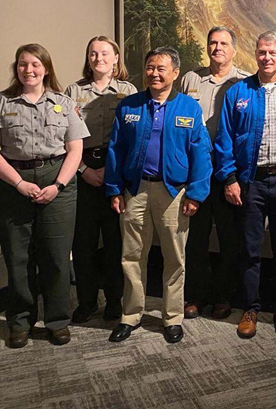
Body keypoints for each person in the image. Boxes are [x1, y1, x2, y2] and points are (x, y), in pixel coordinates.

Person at [105, 46, 212, 344]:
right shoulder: (129, 107)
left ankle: (171, 317)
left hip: (174, 193)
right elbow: (116, 150)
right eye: (150, 67)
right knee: (131, 256)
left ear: (175, 73)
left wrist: (196, 194)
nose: (154, 73)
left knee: (175, 258)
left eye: (161, 68)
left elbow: (201, 152)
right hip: (135, 190)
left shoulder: (189, 109)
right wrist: (114, 189)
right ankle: (130, 315)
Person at [214, 30, 276, 339]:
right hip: (250, 182)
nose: (267, 57)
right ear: (255, 55)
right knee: (250, 248)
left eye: (272, 52)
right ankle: (251, 308)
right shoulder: (238, 93)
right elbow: (224, 139)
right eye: (261, 52)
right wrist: (229, 178)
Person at [0, 44, 89, 348]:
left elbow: (75, 149)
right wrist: (18, 183)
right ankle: (21, 321)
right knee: (17, 256)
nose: (29, 70)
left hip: (57, 181)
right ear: (17, 68)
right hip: (14, 183)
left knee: (55, 256)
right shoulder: (2, 102)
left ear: (46, 68)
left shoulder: (64, 104)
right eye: (23, 64)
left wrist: (59, 185)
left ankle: (57, 320)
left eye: (35, 64)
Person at [66, 36, 137, 324]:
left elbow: (133, 137)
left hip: (115, 170)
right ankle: (85, 301)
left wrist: (112, 171)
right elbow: (65, 134)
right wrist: (84, 170)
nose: (99, 59)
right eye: (93, 54)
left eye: (105, 53)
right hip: (81, 168)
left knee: (114, 241)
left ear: (116, 58)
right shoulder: (73, 90)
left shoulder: (127, 91)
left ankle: (113, 300)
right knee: (82, 243)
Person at [180, 26, 250, 320]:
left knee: (229, 237)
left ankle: (223, 296)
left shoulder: (246, 82)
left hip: (228, 171)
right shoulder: (191, 79)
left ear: (234, 49)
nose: (217, 47)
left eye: (223, 43)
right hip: (196, 170)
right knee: (194, 237)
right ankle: (196, 295)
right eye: (212, 43)